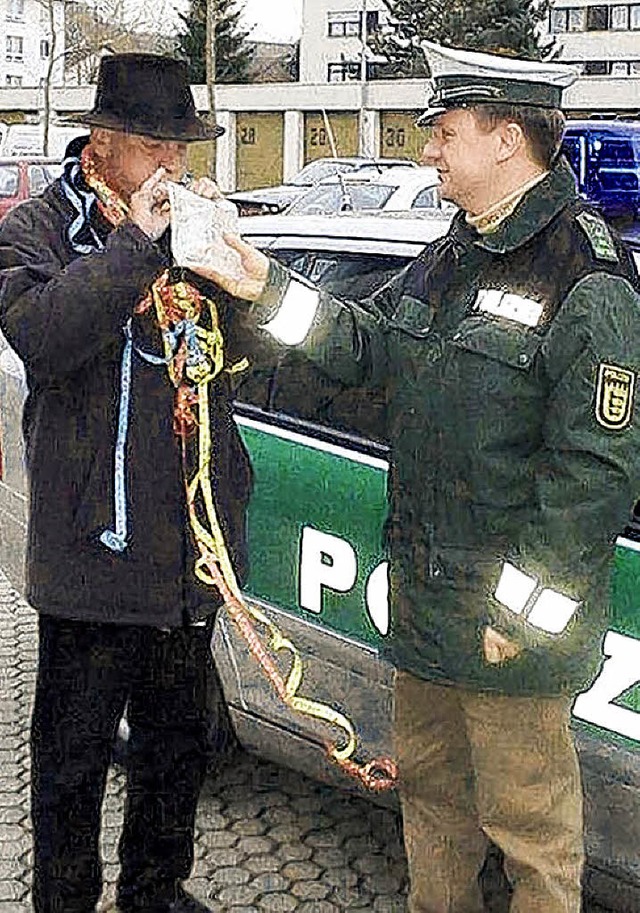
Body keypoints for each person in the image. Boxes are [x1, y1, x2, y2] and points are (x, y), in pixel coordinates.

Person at [188, 43, 640, 913]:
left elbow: (594, 474)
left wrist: (520, 616)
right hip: (427, 621)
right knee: (432, 810)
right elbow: (363, 341)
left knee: (533, 840)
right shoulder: (450, 256)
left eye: (444, 130)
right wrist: (261, 283)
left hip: (511, 645)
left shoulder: (584, 279)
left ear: (507, 139)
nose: (428, 147)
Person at [0, 54, 253, 913]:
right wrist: (138, 246)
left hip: (187, 559)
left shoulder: (190, 227)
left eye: (182, 148)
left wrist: (237, 277)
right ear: (101, 146)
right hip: (91, 560)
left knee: (174, 757)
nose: (174, 166)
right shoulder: (38, 227)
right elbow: (45, 335)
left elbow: (243, 363)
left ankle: (157, 894)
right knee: (70, 770)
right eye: (156, 146)